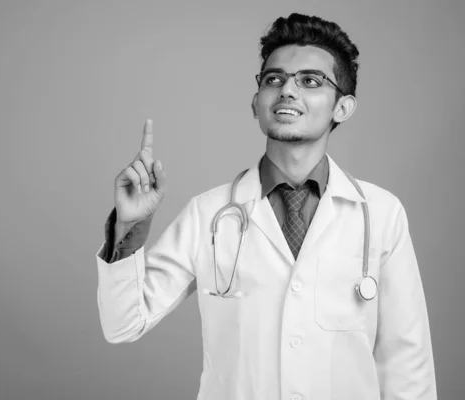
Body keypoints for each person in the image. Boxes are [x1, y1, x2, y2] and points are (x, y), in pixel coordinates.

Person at [95, 13, 437, 400]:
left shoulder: (380, 214)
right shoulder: (207, 214)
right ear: (256, 101)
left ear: (342, 107)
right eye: (274, 79)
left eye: (310, 81)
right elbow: (122, 325)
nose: (287, 90)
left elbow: (408, 364)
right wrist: (129, 225)